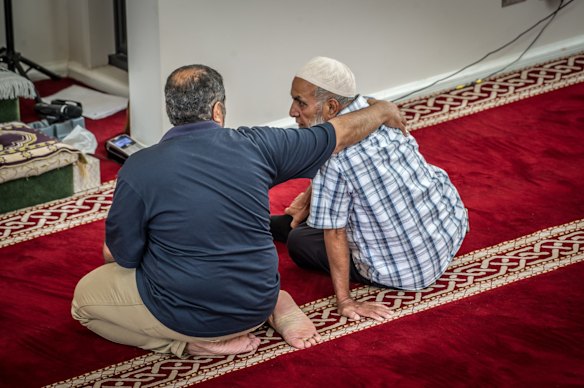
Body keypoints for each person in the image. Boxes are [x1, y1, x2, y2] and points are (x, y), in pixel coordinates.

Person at [71, 63, 405, 358]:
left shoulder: (139, 168)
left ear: (171, 111)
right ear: (218, 111)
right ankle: (277, 304)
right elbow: (339, 132)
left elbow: (123, 257)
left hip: (190, 317)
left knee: (84, 302)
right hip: (257, 298)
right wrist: (382, 110)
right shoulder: (259, 144)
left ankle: (186, 346)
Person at [271, 56, 469, 322]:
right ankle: (290, 218)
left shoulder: (334, 159)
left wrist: (345, 301)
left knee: (299, 241)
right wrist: (310, 198)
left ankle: (280, 225)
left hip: (405, 271)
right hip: (445, 234)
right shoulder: (381, 114)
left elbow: (335, 233)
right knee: (324, 205)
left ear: (331, 107)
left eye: (301, 102)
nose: (293, 111)